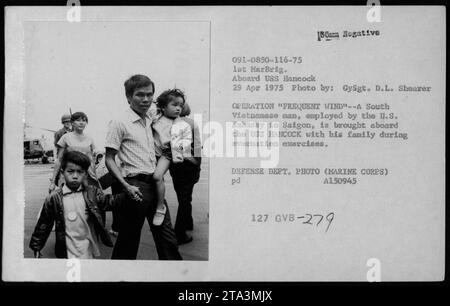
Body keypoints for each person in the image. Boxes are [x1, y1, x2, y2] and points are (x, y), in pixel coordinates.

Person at [104, 74, 182, 260]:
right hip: (134, 187)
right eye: (140, 95)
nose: (146, 99)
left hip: (156, 185)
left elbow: (180, 106)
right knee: (128, 242)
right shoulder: (119, 122)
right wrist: (125, 185)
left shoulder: (151, 117)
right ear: (128, 97)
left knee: (168, 241)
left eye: (149, 94)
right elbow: (109, 158)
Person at [29, 151, 124, 259]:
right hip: (65, 249)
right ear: (62, 172)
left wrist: (129, 194)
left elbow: (109, 201)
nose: (75, 176)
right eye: (70, 171)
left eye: (80, 172)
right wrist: (36, 246)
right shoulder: (54, 198)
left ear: (86, 174)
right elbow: (44, 224)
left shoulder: (92, 193)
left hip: (87, 248)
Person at [151, 89, 188, 226]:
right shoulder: (157, 117)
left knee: (157, 177)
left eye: (181, 105)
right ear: (163, 106)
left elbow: (179, 147)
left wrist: (178, 155)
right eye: (175, 105)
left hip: (166, 153)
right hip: (151, 151)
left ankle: (160, 207)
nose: (178, 108)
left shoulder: (178, 123)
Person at [169, 102, 202, 244]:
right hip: (189, 165)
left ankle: (188, 222)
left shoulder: (170, 123)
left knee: (182, 196)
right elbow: (198, 146)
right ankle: (180, 233)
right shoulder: (191, 123)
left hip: (175, 166)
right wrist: (197, 164)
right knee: (185, 199)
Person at [49, 112, 100, 192]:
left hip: (85, 175)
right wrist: (53, 182)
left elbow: (91, 160)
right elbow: (59, 160)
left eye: (84, 120)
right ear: (72, 123)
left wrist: (95, 176)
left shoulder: (89, 139)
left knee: (89, 198)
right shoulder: (65, 137)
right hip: (69, 174)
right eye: (78, 120)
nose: (81, 123)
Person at [53, 114, 72, 186]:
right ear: (63, 123)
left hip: (71, 156)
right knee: (60, 176)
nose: (68, 123)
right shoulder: (58, 133)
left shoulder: (73, 132)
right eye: (65, 122)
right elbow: (55, 146)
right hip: (62, 157)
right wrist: (55, 159)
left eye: (69, 121)